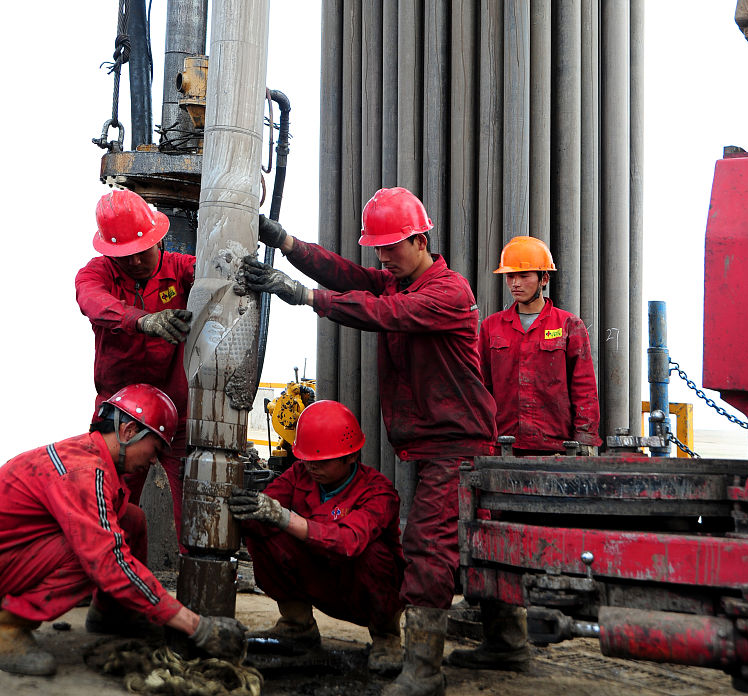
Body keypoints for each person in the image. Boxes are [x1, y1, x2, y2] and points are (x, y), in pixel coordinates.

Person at [235, 187, 497, 696]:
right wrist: (286, 242)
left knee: (427, 547)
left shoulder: (447, 293)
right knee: (464, 541)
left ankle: (423, 670)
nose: (381, 256)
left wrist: (304, 296)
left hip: (457, 444)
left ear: (420, 240)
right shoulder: (400, 282)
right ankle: (506, 641)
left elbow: (383, 314)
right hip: (428, 441)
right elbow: (349, 276)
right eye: (376, 247)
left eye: (390, 246)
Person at [0, 384, 246, 678]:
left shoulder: (91, 457)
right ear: (129, 431)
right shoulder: (84, 472)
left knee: (130, 519)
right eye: (155, 448)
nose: (154, 459)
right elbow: (108, 562)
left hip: (14, 552)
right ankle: (9, 627)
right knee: (96, 554)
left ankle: (112, 614)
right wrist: (196, 626)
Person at [449, 234, 601, 673]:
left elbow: (584, 391)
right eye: (510, 275)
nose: (514, 282)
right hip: (503, 454)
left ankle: (555, 625)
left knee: (552, 544)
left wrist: (586, 443)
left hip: (553, 455)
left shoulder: (569, 327)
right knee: (498, 547)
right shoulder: (492, 328)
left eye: (523, 274)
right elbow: (479, 387)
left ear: (542, 278)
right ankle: (504, 642)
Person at [229, 399, 404, 675]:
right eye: (306, 458)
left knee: (374, 554)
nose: (311, 467)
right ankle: (298, 624)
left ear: (351, 457)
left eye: (320, 461)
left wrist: (286, 517)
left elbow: (349, 542)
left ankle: (387, 636)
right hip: (317, 575)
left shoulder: (378, 492)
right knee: (260, 526)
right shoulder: (300, 474)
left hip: (359, 587)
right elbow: (267, 507)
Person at [76, 189, 195, 540]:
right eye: (123, 256)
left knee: (192, 503)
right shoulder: (96, 274)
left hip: (178, 410)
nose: (134, 262)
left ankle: (198, 580)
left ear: (157, 238)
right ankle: (104, 575)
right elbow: (92, 301)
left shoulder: (180, 269)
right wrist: (143, 321)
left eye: (140, 252)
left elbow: (218, 277)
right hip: (120, 413)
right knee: (105, 499)